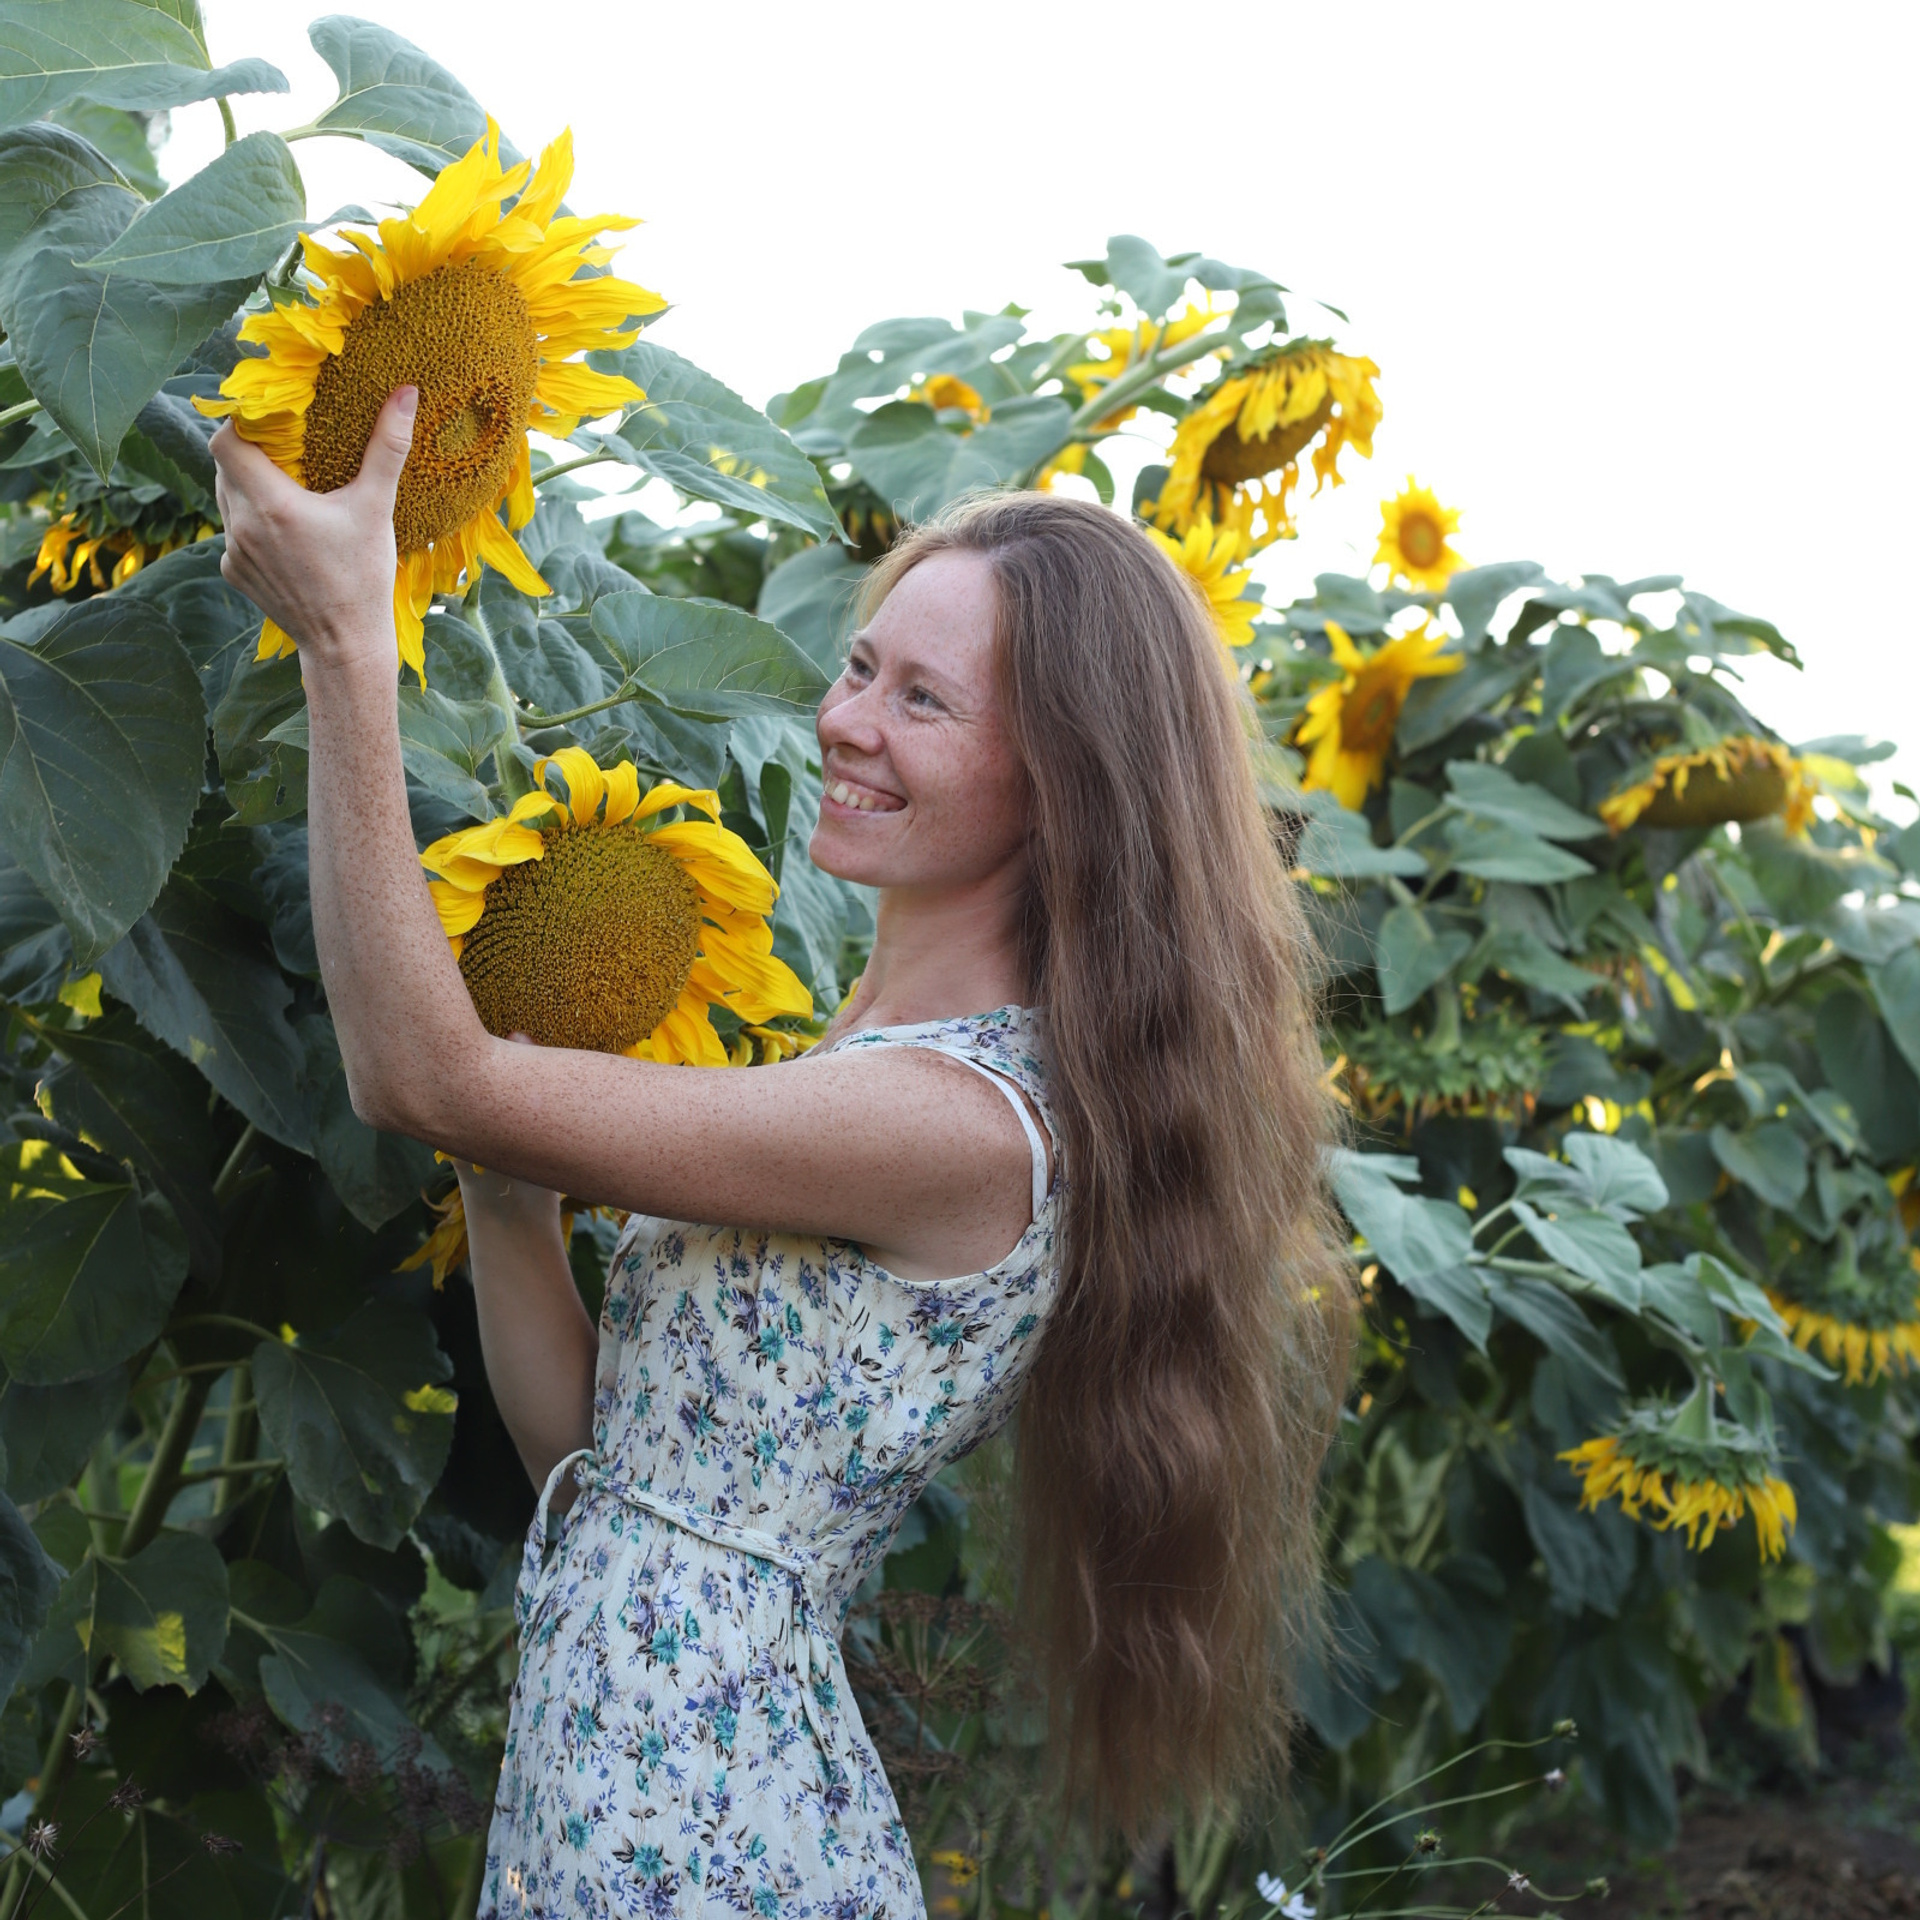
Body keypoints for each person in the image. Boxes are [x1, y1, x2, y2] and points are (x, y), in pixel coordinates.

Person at [211, 389, 1351, 1920]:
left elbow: (417, 1073)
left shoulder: (953, 1123)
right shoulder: (871, 1067)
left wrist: (351, 641)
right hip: (631, 1766)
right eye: (860, 666)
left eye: (924, 703)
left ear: (1065, 784)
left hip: (695, 1814)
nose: (843, 722)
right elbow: (603, 1473)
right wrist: (507, 1193)